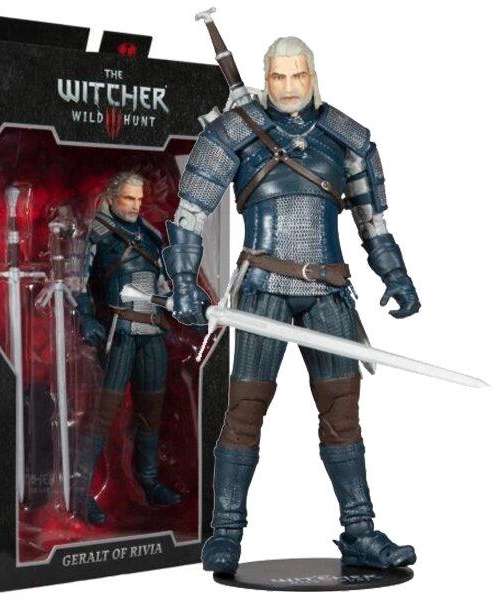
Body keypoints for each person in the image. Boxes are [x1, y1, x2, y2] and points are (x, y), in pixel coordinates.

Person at [162, 37, 420, 573]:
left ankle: (360, 532)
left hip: (329, 293)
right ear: (265, 77)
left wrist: (395, 275)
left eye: (296, 75)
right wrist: (183, 283)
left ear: (312, 75)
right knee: (245, 412)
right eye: (277, 76)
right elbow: (189, 216)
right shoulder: (232, 133)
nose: (287, 87)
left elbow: (373, 221)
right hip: (261, 292)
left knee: (342, 414)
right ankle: (226, 534)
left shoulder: (346, 137)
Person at [75, 172, 181, 525]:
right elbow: (77, 282)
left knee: (151, 412)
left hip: (152, 333)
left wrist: (180, 303)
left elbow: (163, 284)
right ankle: (80, 492)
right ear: (112, 197)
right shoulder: (97, 234)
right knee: (102, 414)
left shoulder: (151, 236)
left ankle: (148, 481)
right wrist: (85, 318)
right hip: (117, 333)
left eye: (139, 199)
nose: (135, 205)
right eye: (128, 199)